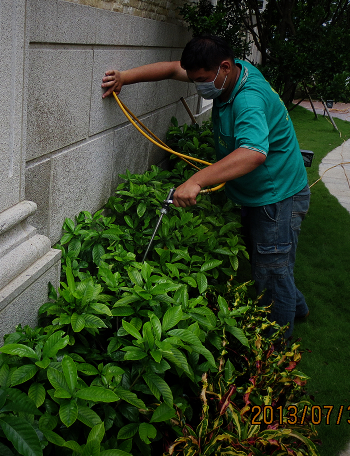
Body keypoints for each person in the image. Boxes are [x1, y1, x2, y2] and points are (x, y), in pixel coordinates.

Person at [101, 34, 310, 339]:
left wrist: (196, 180)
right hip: (260, 194)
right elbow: (173, 69)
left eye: (201, 80)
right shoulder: (228, 73)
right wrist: (124, 77)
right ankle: (299, 308)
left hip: (278, 196)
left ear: (225, 67)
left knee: (271, 272)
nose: (198, 86)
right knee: (270, 261)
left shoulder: (249, 98)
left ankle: (272, 356)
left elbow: (253, 152)